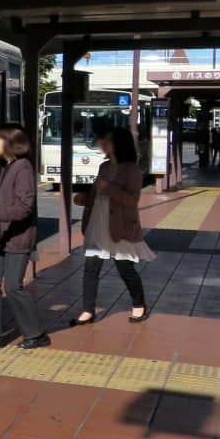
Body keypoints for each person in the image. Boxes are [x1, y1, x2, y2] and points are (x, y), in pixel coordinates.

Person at [0, 126, 50, 350]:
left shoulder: (23, 167)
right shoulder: (8, 166)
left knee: (13, 287)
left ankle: (36, 334)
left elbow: (25, 206)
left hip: (17, 237)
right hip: (0, 237)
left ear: (9, 143)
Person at [72, 127, 155, 325]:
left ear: (119, 144)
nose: (103, 144)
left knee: (125, 267)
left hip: (120, 225)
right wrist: (84, 198)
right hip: (98, 222)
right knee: (91, 268)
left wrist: (108, 188)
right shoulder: (103, 166)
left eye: (108, 141)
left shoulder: (132, 169)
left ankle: (139, 304)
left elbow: (132, 200)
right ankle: (87, 310)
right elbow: (95, 194)